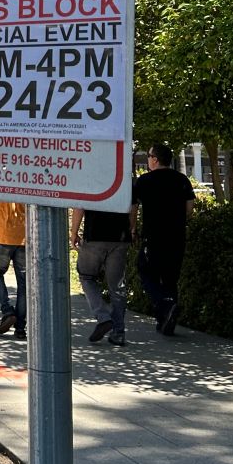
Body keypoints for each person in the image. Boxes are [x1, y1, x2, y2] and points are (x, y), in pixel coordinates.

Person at [132, 143, 195, 336]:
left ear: (155, 159)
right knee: (170, 278)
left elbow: (133, 206)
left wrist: (133, 228)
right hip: (176, 236)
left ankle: (165, 305)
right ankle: (166, 321)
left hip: (153, 236)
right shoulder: (182, 180)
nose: (148, 159)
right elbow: (190, 208)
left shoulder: (144, 181)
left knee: (145, 271)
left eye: (149, 156)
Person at [70, 200, 132, 346]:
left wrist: (73, 232)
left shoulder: (90, 177)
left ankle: (103, 317)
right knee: (117, 287)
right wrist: (132, 229)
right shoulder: (125, 179)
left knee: (87, 277)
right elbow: (133, 206)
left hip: (94, 236)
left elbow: (79, 207)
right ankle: (118, 333)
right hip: (120, 239)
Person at [0, 199, 26, 339]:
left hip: (4, 235)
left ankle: (7, 311)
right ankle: (20, 328)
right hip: (24, 237)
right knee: (23, 284)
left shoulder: (1, 178)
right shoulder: (29, 178)